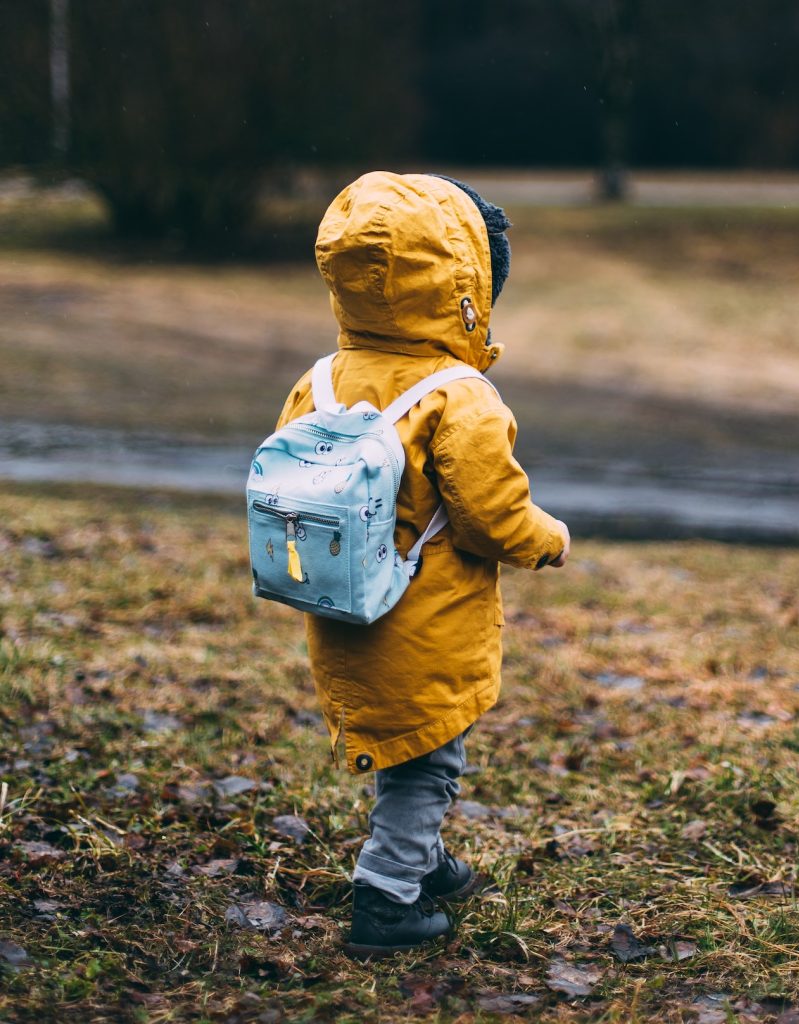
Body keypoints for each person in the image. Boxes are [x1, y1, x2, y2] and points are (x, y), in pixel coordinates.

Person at [274, 171, 570, 958]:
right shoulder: (458, 395)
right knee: (429, 760)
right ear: (465, 288)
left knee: (409, 745)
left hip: (343, 610)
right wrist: (548, 538)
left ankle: (424, 860)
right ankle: (388, 896)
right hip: (425, 620)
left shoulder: (322, 381)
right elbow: (491, 514)